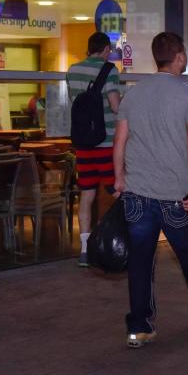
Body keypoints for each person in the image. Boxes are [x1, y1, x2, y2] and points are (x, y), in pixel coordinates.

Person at [113, 32, 188, 348]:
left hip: (137, 193)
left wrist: (119, 180)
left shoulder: (134, 94)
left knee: (140, 261)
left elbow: (119, 141)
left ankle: (139, 326)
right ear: (180, 57)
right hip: (175, 194)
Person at [66, 31, 121, 267]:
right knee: (119, 191)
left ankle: (85, 251)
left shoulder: (72, 70)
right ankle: (121, 241)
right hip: (106, 142)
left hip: (83, 144)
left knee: (86, 196)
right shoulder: (110, 70)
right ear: (106, 49)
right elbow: (115, 105)